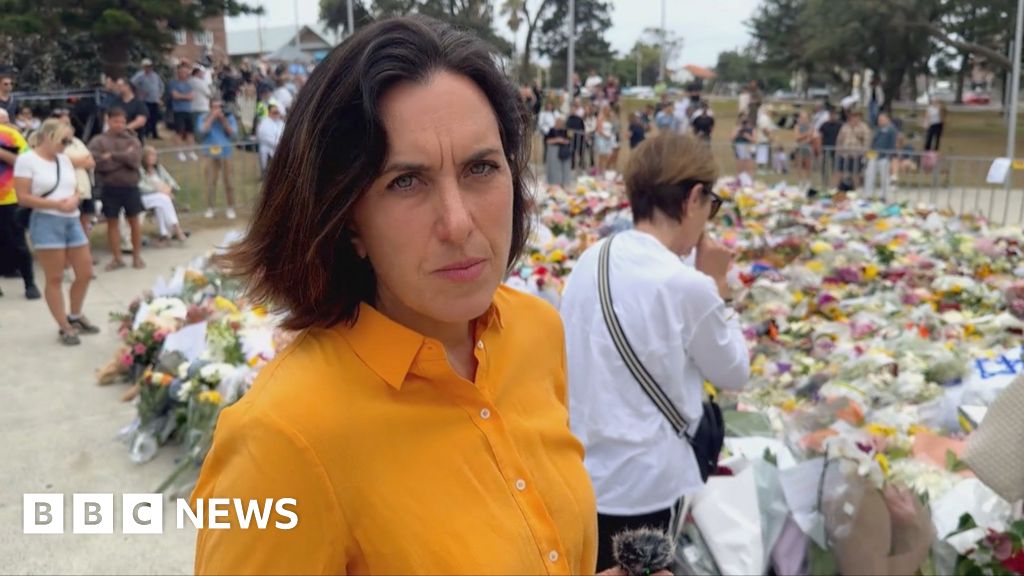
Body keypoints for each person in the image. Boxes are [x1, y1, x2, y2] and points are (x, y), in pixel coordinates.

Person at [192, 15, 599, 575]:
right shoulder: (282, 439)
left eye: (481, 167)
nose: (458, 223)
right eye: (405, 181)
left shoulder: (536, 330)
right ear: (346, 217)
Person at [560, 133, 750, 570]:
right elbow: (734, 372)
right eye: (710, 204)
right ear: (694, 198)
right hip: (645, 487)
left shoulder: (592, 259)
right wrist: (720, 286)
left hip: (583, 477)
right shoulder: (688, 285)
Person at [13, 119, 100, 345]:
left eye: (69, 140)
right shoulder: (27, 160)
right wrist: (55, 205)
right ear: (47, 137)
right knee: (55, 276)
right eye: (64, 140)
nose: (67, 145)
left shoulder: (64, 160)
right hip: (46, 220)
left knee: (85, 272)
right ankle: (64, 325)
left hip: (71, 219)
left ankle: (75, 314)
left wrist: (74, 199)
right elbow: (23, 197)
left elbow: (74, 187)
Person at [88, 106, 145, 270]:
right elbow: (97, 163)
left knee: (134, 222)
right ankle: (117, 258)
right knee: (112, 223)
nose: (119, 125)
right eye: (116, 121)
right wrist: (123, 158)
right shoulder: (98, 141)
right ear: (108, 121)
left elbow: (135, 160)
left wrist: (112, 156)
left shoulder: (132, 139)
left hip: (130, 186)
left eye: (122, 122)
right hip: (110, 186)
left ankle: (136, 256)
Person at [0, 108, 37, 299]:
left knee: (18, 243)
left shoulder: (10, 136)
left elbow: (25, 161)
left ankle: (30, 284)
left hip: (9, 198)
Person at [52, 109, 97, 241]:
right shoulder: (52, 144)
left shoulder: (77, 142)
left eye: (69, 124)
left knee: (84, 221)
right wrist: (80, 161)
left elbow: (91, 162)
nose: (69, 127)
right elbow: (62, 160)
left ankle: (84, 247)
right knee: (69, 222)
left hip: (84, 186)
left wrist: (76, 161)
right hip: (67, 190)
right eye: (64, 124)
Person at [196, 99, 238, 219]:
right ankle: (210, 208)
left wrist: (223, 121)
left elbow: (233, 134)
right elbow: (202, 131)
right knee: (210, 182)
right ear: (210, 108)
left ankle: (230, 208)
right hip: (209, 153)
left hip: (226, 152)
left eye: (220, 107)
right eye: (215, 107)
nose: (218, 109)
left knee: (228, 181)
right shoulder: (203, 117)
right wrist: (212, 117)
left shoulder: (229, 117)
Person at [138, 146, 187, 244]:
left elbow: (171, 181)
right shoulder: (140, 170)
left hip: (161, 197)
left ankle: (164, 234)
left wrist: (170, 188)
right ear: (144, 157)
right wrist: (158, 190)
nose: (153, 158)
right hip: (145, 197)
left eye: (154, 155)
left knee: (161, 204)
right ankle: (177, 229)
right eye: (150, 156)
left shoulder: (159, 169)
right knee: (163, 198)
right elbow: (141, 187)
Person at [865, 112, 897, 200]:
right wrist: (869, 153)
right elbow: (873, 141)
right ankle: (868, 194)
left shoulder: (892, 130)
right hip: (874, 155)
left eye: (882, 119)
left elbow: (892, 144)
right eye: (879, 120)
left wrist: (889, 156)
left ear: (887, 119)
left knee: (884, 177)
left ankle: (884, 195)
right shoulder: (877, 129)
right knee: (870, 175)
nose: (880, 121)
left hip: (884, 157)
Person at [169, 64, 198, 161]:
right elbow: (175, 96)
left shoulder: (189, 84)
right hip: (178, 111)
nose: (184, 74)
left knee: (190, 132)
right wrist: (186, 97)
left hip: (188, 110)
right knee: (179, 132)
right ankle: (179, 152)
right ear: (178, 73)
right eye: (182, 72)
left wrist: (182, 96)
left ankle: (191, 151)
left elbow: (192, 96)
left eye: (185, 72)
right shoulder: (173, 83)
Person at [836, 109, 871, 188]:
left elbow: (867, 141)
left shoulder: (864, 127)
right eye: (853, 116)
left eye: (856, 116)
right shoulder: (845, 126)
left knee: (856, 174)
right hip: (844, 154)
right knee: (839, 172)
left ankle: (857, 190)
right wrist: (839, 150)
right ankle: (834, 190)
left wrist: (864, 153)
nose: (854, 118)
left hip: (857, 155)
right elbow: (839, 139)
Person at [131, 58, 164, 140]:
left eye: (150, 66)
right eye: (146, 66)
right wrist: (138, 92)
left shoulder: (155, 75)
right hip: (145, 101)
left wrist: (159, 95)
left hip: (155, 100)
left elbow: (161, 85)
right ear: (143, 67)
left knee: (154, 118)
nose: (148, 68)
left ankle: (154, 134)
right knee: (146, 118)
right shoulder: (139, 76)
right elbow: (132, 84)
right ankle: (145, 133)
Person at [255, 103, 284, 173]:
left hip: (280, 152)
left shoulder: (281, 123)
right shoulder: (264, 123)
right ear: (269, 113)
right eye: (274, 112)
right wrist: (280, 144)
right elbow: (266, 138)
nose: (276, 114)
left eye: (277, 112)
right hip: (269, 153)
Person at [545, 116, 573, 188]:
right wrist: (557, 140)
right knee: (554, 168)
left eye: (561, 122)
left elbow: (569, 140)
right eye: (558, 121)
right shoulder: (552, 130)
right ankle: (554, 183)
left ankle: (564, 184)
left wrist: (563, 141)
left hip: (563, 150)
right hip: (553, 150)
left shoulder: (566, 130)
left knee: (565, 168)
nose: (560, 123)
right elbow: (548, 141)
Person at [793, 111, 814, 189]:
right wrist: (806, 135)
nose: (803, 119)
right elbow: (797, 137)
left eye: (805, 117)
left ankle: (808, 182)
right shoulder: (797, 126)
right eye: (801, 117)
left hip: (807, 149)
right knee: (799, 166)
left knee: (807, 166)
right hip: (799, 148)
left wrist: (803, 138)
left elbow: (810, 138)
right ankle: (800, 182)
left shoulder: (810, 126)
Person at [732, 114, 755, 181]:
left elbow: (754, 140)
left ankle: (749, 178)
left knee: (748, 162)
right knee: (740, 162)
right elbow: (732, 138)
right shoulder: (737, 128)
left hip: (748, 147)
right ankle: (739, 177)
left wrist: (747, 136)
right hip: (739, 147)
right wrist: (738, 131)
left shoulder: (751, 129)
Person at [593, 105, 615, 174]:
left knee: (608, 155)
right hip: (602, 139)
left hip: (609, 139)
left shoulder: (609, 118)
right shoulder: (600, 118)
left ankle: (605, 170)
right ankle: (600, 171)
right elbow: (599, 130)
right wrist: (606, 136)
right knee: (602, 156)